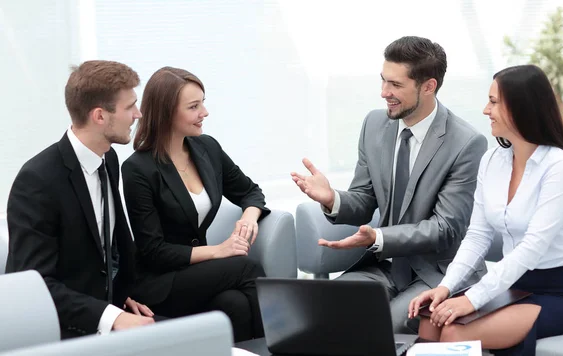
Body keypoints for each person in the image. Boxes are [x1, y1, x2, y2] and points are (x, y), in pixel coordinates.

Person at [291, 36, 488, 333]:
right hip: (383, 267)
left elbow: (445, 228)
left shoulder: (466, 143)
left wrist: (378, 238)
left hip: (437, 273)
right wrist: (332, 199)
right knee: (323, 309)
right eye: (383, 81)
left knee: (386, 327)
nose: (384, 93)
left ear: (428, 86)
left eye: (395, 85)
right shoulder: (374, 124)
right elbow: (364, 199)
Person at [408, 64, 563, 354]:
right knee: (430, 324)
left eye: (493, 102)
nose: (485, 109)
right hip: (512, 286)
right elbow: (478, 235)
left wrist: (472, 299)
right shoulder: (492, 160)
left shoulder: (559, 167)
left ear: (521, 107)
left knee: (455, 333)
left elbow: (531, 248)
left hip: (561, 292)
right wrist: (446, 287)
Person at [5, 60, 157, 338]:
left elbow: (109, 248)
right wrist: (112, 317)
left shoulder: (108, 158)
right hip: (62, 332)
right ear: (100, 116)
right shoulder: (37, 182)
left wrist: (119, 299)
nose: (138, 114)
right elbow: (36, 286)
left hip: (103, 314)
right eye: (130, 106)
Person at [122, 66, 269, 342]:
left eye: (203, 102)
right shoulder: (137, 169)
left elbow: (250, 192)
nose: (205, 112)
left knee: (234, 304)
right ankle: (283, 348)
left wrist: (249, 217)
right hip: (159, 280)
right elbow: (153, 251)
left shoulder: (207, 148)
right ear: (166, 112)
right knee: (246, 267)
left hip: (195, 274)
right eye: (193, 106)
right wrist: (218, 251)